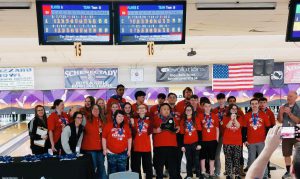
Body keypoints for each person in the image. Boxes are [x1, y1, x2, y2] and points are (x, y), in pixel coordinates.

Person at [244, 98, 271, 178]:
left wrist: (267, 139)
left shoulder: (263, 115)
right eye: (252, 104)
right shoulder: (247, 116)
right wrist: (245, 140)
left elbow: (268, 128)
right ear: (250, 105)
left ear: (258, 104)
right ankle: (251, 175)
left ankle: (264, 175)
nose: (254, 105)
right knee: (251, 160)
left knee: (263, 159)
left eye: (256, 103)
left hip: (262, 141)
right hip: (250, 141)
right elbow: (244, 129)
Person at [152, 103, 180, 179]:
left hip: (172, 146)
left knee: (173, 167)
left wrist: (178, 128)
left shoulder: (173, 119)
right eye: (164, 109)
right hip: (159, 146)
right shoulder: (155, 118)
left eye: (168, 109)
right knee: (159, 167)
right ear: (160, 111)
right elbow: (149, 130)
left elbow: (178, 126)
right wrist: (155, 130)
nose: (166, 111)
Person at [278, 91, 300, 179]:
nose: (288, 98)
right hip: (286, 131)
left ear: (296, 97)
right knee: (286, 153)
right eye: (288, 96)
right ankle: (288, 172)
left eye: (291, 96)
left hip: (297, 130)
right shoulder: (283, 107)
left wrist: (290, 113)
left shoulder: (298, 107)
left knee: (298, 153)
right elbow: (280, 121)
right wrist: (280, 113)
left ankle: (297, 170)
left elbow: (298, 121)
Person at [81, 104, 107, 179]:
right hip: (90, 148)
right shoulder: (85, 119)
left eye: (97, 109)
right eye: (94, 109)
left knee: (101, 167)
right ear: (91, 110)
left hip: (101, 148)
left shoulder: (103, 120)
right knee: (93, 168)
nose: (96, 110)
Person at [102, 110, 132, 174]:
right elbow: (104, 138)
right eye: (119, 116)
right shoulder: (108, 125)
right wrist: (104, 149)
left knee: (122, 173)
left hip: (123, 153)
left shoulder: (126, 126)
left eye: (122, 116)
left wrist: (129, 150)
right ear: (115, 117)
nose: (121, 118)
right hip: (111, 153)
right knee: (112, 172)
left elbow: (129, 138)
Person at [179, 104, 202, 178]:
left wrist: (199, 144)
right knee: (188, 160)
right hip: (186, 144)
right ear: (185, 111)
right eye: (187, 110)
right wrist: (182, 145)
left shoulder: (196, 119)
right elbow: (181, 134)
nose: (188, 111)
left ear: (192, 111)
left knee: (196, 160)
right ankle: (189, 175)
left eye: (190, 110)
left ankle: (198, 174)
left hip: (195, 143)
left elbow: (199, 132)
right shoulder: (183, 121)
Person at [131, 104, 153, 179]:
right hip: (136, 147)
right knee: (136, 167)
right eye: (140, 108)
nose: (142, 109)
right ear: (137, 111)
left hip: (146, 147)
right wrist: (132, 124)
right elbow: (132, 133)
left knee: (148, 166)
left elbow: (150, 132)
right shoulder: (134, 120)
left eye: (144, 108)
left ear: (146, 110)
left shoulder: (149, 120)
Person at [222, 104, 244, 179]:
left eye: (235, 109)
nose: (234, 110)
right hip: (227, 141)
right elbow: (227, 126)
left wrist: (235, 119)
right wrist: (231, 119)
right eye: (232, 109)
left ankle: (237, 175)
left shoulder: (240, 117)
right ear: (230, 110)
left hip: (237, 141)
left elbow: (238, 126)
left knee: (237, 159)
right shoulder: (225, 117)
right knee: (228, 159)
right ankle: (229, 174)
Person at [199, 100, 219, 178]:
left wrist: (216, 139)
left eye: (209, 106)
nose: (207, 108)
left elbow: (217, 128)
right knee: (202, 157)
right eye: (206, 106)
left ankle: (211, 173)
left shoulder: (214, 116)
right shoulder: (200, 116)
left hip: (212, 140)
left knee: (212, 157)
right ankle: (203, 172)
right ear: (203, 107)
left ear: (211, 107)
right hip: (203, 140)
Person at [212, 93, 227, 176]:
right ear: (217, 100)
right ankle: (217, 171)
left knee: (228, 154)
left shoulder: (228, 110)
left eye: (222, 99)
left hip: (227, 135)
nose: (221, 101)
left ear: (225, 99)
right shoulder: (214, 111)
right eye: (219, 99)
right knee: (216, 154)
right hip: (217, 135)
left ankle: (229, 171)